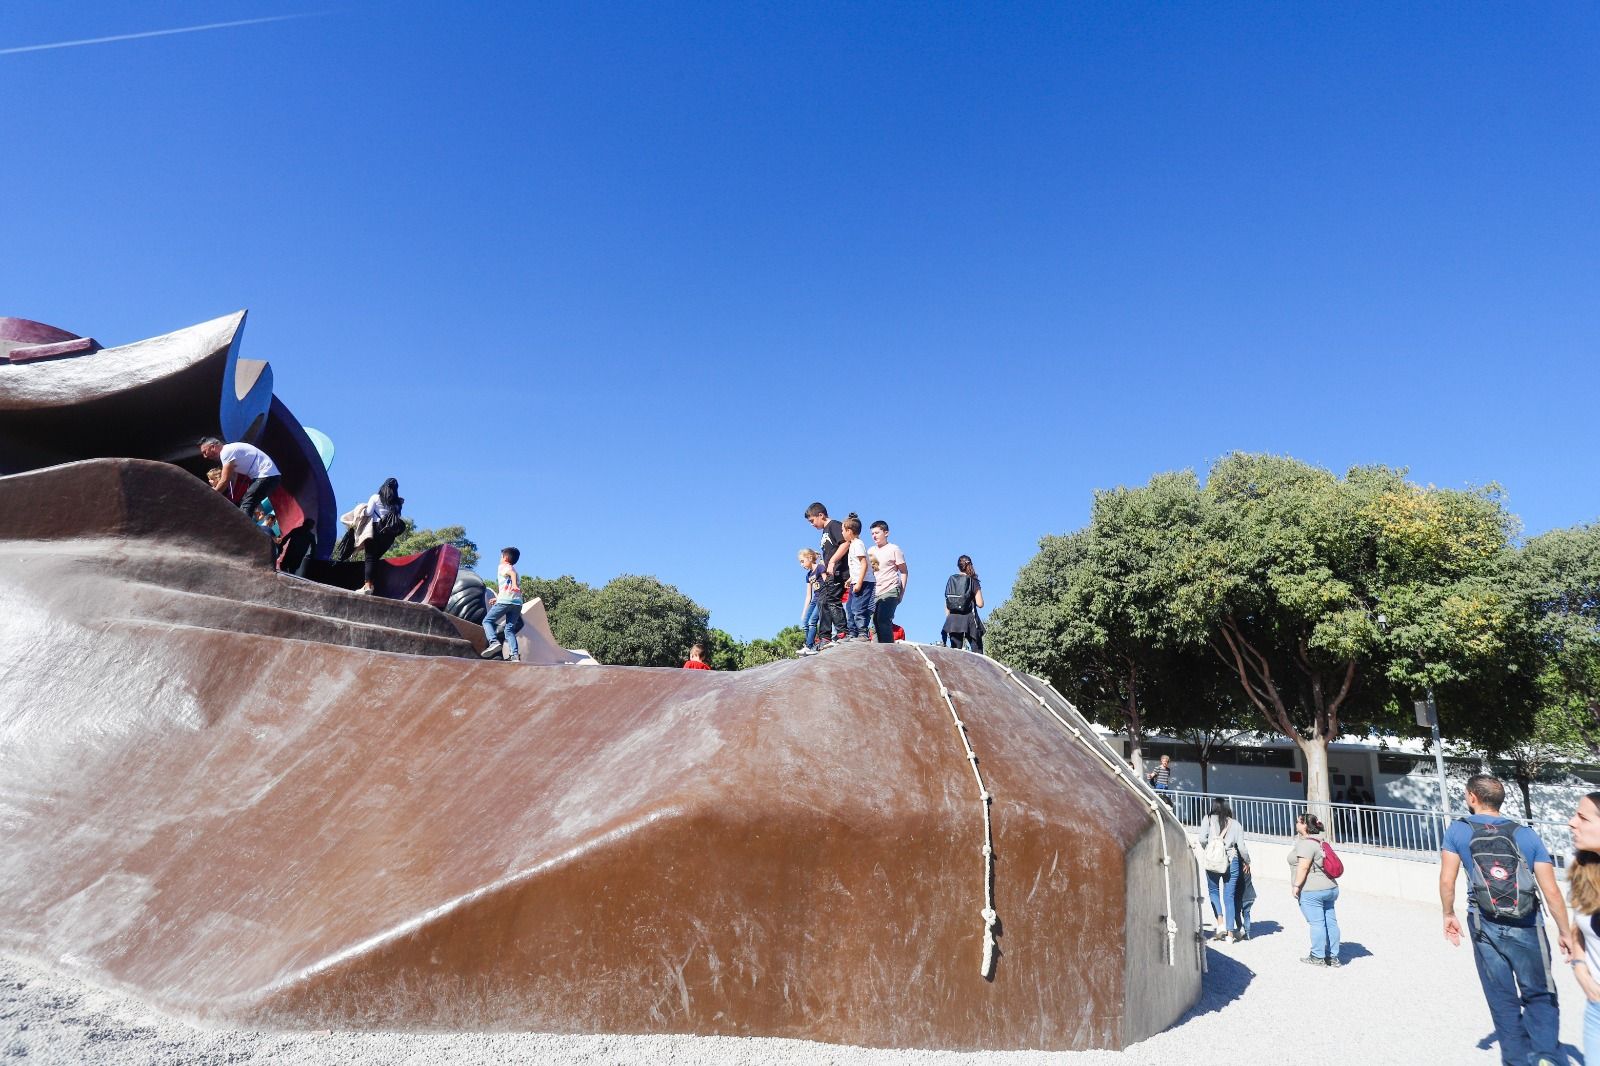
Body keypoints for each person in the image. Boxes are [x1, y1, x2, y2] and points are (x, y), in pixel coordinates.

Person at [1441, 774, 1570, 1066]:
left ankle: (1515, 1061)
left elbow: (1447, 880)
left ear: (1472, 797)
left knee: (1502, 999)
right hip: (1527, 923)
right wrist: (1564, 931)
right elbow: (1550, 890)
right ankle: (1545, 1056)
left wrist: (1448, 914)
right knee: (1539, 992)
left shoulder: (1458, 832)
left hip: (1482, 922)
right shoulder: (1525, 834)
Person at [1567, 793, 1600, 1066]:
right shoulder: (1586, 868)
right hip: (1597, 1008)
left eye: (1583, 817)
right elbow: (1579, 923)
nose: (1571, 822)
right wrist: (1579, 966)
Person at [1291, 812, 1341, 966]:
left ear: (1305, 825)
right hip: (1330, 888)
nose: (1296, 824)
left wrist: (1296, 886)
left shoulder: (1306, 844)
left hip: (1313, 889)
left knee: (1317, 923)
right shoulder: (1320, 841)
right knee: (1331, 922)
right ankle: (1333, 957)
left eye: (1299, 821)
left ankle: (1317, 956)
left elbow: (1304, 867)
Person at [1199, 798, 1249, 942]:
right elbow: (1242, 847)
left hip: (1213, 861)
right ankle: (1231, 934)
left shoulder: (1207, 819)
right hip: (1231, 860)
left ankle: (1220, 923)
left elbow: (1202, 838)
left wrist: (1209, 848)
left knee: (1213, 891)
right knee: (1229, 897)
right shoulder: (1236, 824)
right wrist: (1247, 861)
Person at [198, 437, 279, 518]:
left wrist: (210, 495)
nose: (205, 456)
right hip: (268, 476)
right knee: (247, 502)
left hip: (266, 475)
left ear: (213, 447)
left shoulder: (226, 452)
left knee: (246, 503)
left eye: (205, 452)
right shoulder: (229, 451)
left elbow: (225, 480)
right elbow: (231, 481)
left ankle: (246, 529)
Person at [805, 503, 850, 646]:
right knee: (822, 601)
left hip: (839, 571)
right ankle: (825, 636)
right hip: (830, 572)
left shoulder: (834, 526)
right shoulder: (824, 531)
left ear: (821, 515)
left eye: (812, 521)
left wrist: (833, 561)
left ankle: (843, 632)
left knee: (832, 601)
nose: (812, 525)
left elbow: (845, 543)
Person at [357, 478, 405, 595]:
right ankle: (370, 585)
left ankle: (368, 586)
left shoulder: (375, 497)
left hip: (376, 529)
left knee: (370, 557)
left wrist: (360, 511)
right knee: (375, 559)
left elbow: (368, 512)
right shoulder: (398, 503)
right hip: (390, 534)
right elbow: (396, 516)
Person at [480, 547, 524, 662]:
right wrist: (498, 598)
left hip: (506, 601)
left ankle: (493, 642)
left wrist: (514, 584)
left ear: (505, 558)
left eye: (500, 557)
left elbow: (511, 574)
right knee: (509, 629)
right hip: (517, 603)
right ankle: (514, 655)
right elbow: (508, 585)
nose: (499, 559)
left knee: (487, 621)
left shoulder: (503, 567)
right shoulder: (514, 569)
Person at [867, 520, 907, 644]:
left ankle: (889, 649)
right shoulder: (870, 551)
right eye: (872, 533)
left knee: (883, 619)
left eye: (877, 533)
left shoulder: (894, 549)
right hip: (875, 592)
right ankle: (879, 650)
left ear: (886, 533)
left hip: (890, 590)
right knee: (874, 623)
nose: (874, 536)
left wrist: (901, 593)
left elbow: (904, 572)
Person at [941, 555, 985, 652]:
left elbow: (947, 602)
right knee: (978, 655)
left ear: (958, 566)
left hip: (953, 621)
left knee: (955, 655)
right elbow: (980, 603)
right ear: (970, 565)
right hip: (970, 621)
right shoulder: (973, 581)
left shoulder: (951, 579)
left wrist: (948, 620)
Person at [843, 515, 875, 641]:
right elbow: (856, 566)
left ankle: (862, 633)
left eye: (843, 530)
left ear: (849, 531)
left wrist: (859, 582)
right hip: (856, 581)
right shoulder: (852, 545)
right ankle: (852, 633)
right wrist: (851, 579)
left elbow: (864, 563)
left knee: (858, 608)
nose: (842, 533)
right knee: (849, 607)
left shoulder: (858, 544)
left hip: (864, 582)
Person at [797, 548, 824, 656]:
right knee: (805, 622)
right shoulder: (808, 576)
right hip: (814, 599)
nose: (801, 565)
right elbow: (809, 595)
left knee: (812, 621)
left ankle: (809, 646)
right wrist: (804, 612)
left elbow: (826, 581)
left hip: (822, 596)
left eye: (802, 561)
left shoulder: (820, 568)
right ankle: (811, 645)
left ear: (809, 557)